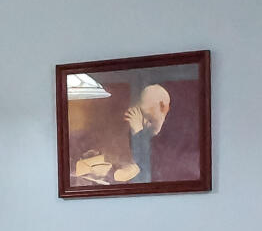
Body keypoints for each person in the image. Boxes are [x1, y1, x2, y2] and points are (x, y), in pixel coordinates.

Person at [68, 78, 198, 187]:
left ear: (163, 106)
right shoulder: (147, 129)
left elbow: (156, 162)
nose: (144, 121)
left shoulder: (180, 130)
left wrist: (138, 130)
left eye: (147, 115)